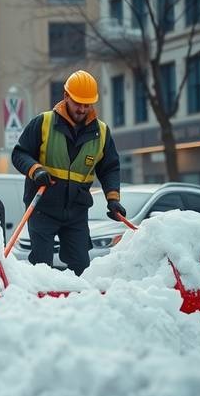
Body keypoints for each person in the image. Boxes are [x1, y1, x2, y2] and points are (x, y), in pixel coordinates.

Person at [11, 70, 122, 275]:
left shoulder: (102, 132)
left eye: (86, 104)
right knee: (42, 265)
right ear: (65, 97)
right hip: (42, 206)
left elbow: (110, 168)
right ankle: (41, 303)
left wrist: (113, 198)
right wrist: (36, 170)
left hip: (76, 210)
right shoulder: (43, 123)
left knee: (81, 265)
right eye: (77, 103)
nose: (82, 109)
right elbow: (20, 154)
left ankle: (78, 303)